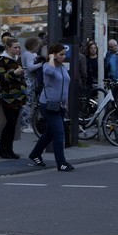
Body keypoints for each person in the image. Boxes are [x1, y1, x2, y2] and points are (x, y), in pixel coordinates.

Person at [29, 43, 75, 172]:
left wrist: (66, 104)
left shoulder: (62, 68)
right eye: (61, 55)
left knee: (50, 133)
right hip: (48, 105)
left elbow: (65, 85)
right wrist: (50, 58)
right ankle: (61, 163)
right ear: (53, 55)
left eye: (64, 54)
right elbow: (49, 71)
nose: (63, 57)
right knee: (59, 133)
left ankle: (35, 154)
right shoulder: (47, 67)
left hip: (59, 105)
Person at [0, 37, 26, 159]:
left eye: (19, 47)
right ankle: (4, 148)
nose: (18, 49)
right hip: (8, 96)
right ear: (8, 48)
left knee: (12, 123)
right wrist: (14, 74)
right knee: (11, 122)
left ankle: (7, 148)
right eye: (15, 47)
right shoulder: (3, 60)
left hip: (18, 95)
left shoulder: (17, 59)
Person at [19, 36, 42, 134]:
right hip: (29, 80)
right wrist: (41, 64)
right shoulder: (28, 54)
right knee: (28, 103)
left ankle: (25, 123)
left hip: (28, 79)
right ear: (33, 45)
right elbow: (30, 67)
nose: (38, 47)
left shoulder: (26, 54)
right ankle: (25, 125)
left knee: (28, 102)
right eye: (37, 45)